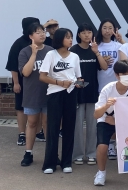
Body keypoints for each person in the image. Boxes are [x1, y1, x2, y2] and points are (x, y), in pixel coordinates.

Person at [93, 59, 128, 186]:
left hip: (125, 122)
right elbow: (96, 114)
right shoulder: (108, 89)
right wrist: (106, 106)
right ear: (117, 75)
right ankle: (101, 173)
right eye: (124, 74)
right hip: (106, 120)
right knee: (102, 146)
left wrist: (117, 121)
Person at [38, 28, 83, 174]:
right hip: (55, 94)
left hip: (71, 93)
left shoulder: (75, 57)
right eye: (67, 37)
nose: (70, 40)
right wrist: (59, 83)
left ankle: (66, 162)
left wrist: (79, 83)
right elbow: (42, 76)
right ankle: (50, 163)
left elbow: (79, 77)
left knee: (69, 127)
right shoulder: (51, 55)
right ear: (59, 39)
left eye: (71, 37)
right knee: (53, 128)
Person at [70, 23, 108, 166]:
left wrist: (97, 52)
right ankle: (78, 155)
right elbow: (69, 72)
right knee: (77, 126)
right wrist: (76, 83)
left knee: (93, 126)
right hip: (77, 94)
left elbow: (104, 67)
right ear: (79, 35)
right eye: (83, 32)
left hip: (92, 93)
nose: (87, 35)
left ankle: (92, 154)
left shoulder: (94, 50)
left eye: (89, 32)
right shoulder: (73, 50)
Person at [18, 22, 52, 166]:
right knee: (32, 123)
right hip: (32, 94)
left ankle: (51, 154)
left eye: (43, 31)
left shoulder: (51, 51)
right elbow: (25, 73)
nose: (42, 34)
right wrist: (34, 53)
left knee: (47, 123)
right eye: (38, 32)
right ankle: (28, 153)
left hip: (49, 94)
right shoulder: (24, 52)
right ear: (31, 36)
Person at [6, 16, 40, 146]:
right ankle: (22, 133)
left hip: (38, 83)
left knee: (38, 106)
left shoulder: (42, 43)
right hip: (22, 82)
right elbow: (13, 66)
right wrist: (16, 83)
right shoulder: (18, 44)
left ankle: (38, 132)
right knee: (21, 107)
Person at [95, 18, 124, 160]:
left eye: (110, 28)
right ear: (100, 29)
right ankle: (102, 144)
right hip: (101, 85)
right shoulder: (96, 46)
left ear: (115, 30)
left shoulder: (118, 46)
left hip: (117, 86)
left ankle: (113, 144)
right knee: (104, 116)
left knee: (116, 117)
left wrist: (121, 40)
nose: (107, 31)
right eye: (104, 28)